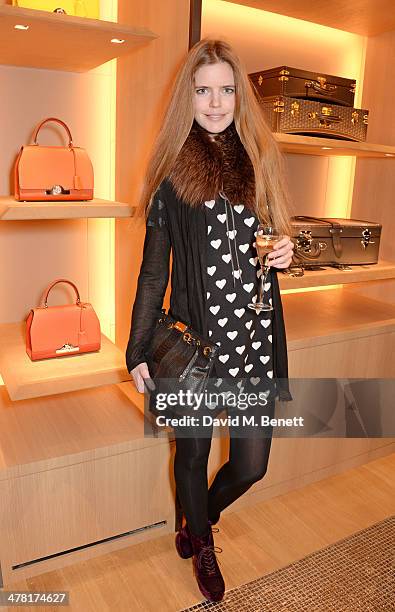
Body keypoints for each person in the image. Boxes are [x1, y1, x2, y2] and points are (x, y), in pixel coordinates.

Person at [126, 39, 294, 603]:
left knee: (252, 463)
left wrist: (287, 251)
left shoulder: (260, 160)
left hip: (253, 341)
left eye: (226, 89)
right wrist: (136, 350)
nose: (216, 102)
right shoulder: (173, 174)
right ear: (187, 97)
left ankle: (197, 519)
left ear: (239, 95)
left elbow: (276, 239)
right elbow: (154, 276)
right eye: (203, 90)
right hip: (193, 348)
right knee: (192, 455)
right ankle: (202, 542)